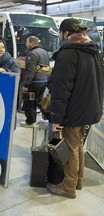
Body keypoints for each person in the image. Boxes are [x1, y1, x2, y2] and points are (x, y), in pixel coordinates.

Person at [47, 18, 104, 199]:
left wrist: (56, 117)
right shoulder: (94, 51)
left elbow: (61, 89)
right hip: (90, 107)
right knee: (78, 145)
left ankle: (68, 187)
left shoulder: (67, 54)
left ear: (65, 33)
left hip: (74, 109)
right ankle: (78, 180)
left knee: (71, 148)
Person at [20, 36, 50, 128]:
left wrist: (26, 84)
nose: (26, 44)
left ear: (32, 43)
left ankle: (30, 121)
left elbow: (30, 70)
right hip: (44, 80)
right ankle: (48, 115)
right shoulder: (44, 52)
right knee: (39, 101)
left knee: (30, 101)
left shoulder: (32, 54)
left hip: (34, 81)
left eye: (27, 42)